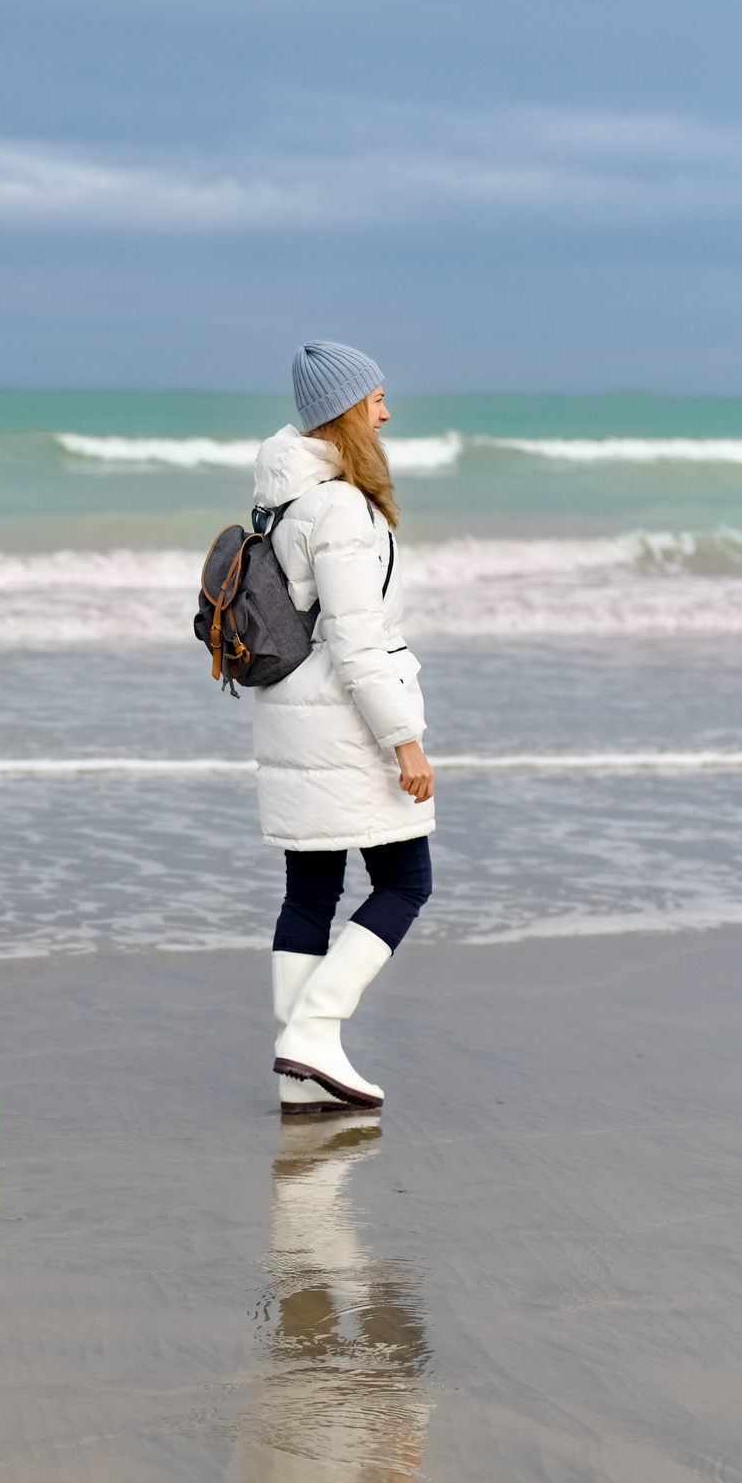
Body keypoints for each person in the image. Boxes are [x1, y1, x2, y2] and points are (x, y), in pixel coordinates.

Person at [250, 341, 436, 1114]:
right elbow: (357, 641)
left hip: (297, 723)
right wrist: (405, 741)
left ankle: (299, 1075)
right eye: (377, 399)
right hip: (343, 729)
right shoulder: (339, 508)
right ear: (349, 410)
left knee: (311, 893)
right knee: (406, 880)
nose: (387, 413)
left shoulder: (287, 500)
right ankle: (312, 1033)